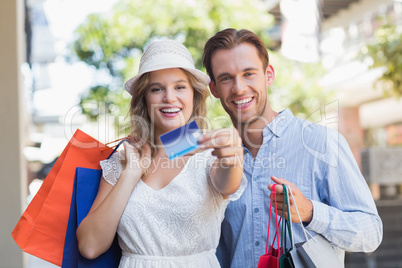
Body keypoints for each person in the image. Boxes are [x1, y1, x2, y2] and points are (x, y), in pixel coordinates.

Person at [202, 28, 383, 267]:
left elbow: (371, 234)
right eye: (226, 78)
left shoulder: (323, 143)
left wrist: (310, 213)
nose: (238, 88)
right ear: (214, 88)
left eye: (248, 74)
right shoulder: (212, 161)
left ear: (268, 75)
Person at [76, 39, 247, 267]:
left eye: (179, 87)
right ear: (144, 99)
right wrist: (130, 174)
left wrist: (232, 157)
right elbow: (90, 246)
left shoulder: (210, 154)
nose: (169, 98)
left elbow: (228, 183)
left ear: (194, 96)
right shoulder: (125, 159)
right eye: (156, 89)